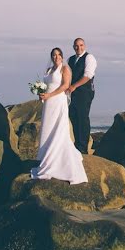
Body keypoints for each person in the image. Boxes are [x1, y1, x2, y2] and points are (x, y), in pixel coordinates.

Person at [30, 47, 88, 183]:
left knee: (58, 128)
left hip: (57, 100)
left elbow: (65, 85)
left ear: (62, 56)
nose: (56, 57)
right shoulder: (49, 70)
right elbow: (46, 85)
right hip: (48, 103)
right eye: (54, 55)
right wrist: (42, 94)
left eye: (58, 55)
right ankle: (46, 157)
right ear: (51, 57)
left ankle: (58, 159)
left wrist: (50, 95)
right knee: (47, 128)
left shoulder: (65, 69)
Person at [66, 37, 96, 154]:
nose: (79, 47)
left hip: (85, 92)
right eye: (77, 46)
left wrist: (74, 86)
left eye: (81, 45)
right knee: (73, 117)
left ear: (85, 46)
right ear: (73, 47)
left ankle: (83, 147)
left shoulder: (89, 58)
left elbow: (87, 75)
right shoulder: (70, 60)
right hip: (72, 94)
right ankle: (77, 144)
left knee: (82, 118)